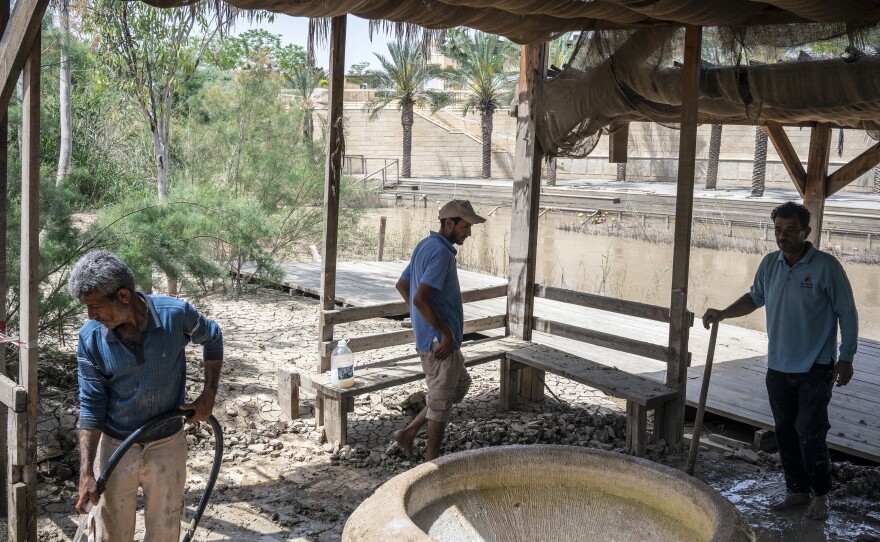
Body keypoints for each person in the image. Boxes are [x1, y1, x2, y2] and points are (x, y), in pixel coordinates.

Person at [702, 201, 857, 521]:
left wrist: (847, 357)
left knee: (810, 431)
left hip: (816, 366)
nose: (782, 236)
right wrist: (723, 313)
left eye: (790, 230)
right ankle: (796, 491)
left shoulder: (826, 267)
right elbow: (754, 297)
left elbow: (848, 313)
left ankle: (820, 495)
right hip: (778, 365)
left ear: (806, 232)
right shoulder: (770, 264)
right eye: (778, 230)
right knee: (785, 430)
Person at [70, 250, 223, 541]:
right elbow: (91, 407)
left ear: (124, 296)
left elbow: (212, 337)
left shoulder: (176, 315)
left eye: (94, 306)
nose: (90, 315)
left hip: (168, 442)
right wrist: (87, 472)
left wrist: (209, 394)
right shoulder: (90, 338)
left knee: (165, 529)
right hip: (116, 446)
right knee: (109, 532)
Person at [393, 199, 486, 461]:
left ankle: (409, 432)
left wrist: (421, 320)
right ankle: (430, 464)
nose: (469, 232)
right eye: (466, 226)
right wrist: (443, 332)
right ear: (449, 223)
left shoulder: (426, 245)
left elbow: (403, 286)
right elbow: (420, 298)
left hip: (438, 338)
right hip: (439, 343)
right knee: (441, 406)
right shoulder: (442, 253)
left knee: (459, 387)